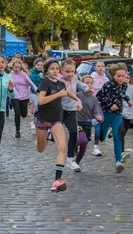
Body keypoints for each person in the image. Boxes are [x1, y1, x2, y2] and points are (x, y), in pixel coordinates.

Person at [35, 59, 82, 192]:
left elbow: (68, 92)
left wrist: (78, 100)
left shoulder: (61, 84)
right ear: (47, 71)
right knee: (40, 148)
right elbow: (41, 100)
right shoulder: (45, 82)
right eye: (52, 69)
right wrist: (58, 94)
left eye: (57, 68)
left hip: (56, 119)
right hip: (43, 119)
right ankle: (39, 141)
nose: (55, 71)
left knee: (62, 147)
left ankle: (57, 180)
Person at [97, 63, 133, 173]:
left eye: (123, 76)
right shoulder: (108, 85)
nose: (121, 78)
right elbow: (100, 96)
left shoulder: (123, 85)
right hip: (106, 113)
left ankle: (118, 162)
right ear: (113, 75)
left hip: (117, 114)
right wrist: (109, 105)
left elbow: (122, 94)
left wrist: (128, 100)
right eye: (119, 76)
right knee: (101, 137)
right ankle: (99, 129)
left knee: (118, 136)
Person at [58, 59, 87, 171]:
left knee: (74, 132)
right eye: (67, 72)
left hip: (71, 110)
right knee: (55, 135)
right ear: (62, 70)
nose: (70, 74)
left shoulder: (75, 79)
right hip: (60, 110)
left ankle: (70, 158)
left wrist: (86, 89)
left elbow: (81, 84)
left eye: (72, 71)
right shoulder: (59, 81)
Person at [75, 76, 103, 170]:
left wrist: (98, 116)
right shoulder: (77, 95)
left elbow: (96, 110)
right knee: (82, 140)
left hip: (88, 124)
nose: (89, 84)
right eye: (87, 82)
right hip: (77, 122)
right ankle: (74, 145)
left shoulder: (94, 99)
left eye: (91, 83)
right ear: (82, 85)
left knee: (84, 145)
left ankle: (76, 162)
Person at [10, 59, 37, 138]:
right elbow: (7, 86)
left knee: (24, 114)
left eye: (18, 67)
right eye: (15, 67)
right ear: (12, 67)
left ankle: (23, 114)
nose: (17, 69)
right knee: (17, 113)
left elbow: (31, 84)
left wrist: (38, 91)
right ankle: (17, 131)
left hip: (24, 96)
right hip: (14, 97)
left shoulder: (24, 74)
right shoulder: (9, 75)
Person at [91, 61, 109, 156]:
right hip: (91, 104)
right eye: (98, 66)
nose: (101, 68)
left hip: (101, 106)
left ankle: (96, 147)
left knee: (99, 125)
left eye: (102, 66)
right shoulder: (92, 77)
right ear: (95, 67)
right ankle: (80, 143)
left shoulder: (106, 79)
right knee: (87, 126)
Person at [121, 74, 133, 162]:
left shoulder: (132, 88)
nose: (125, 79)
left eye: (127, 77)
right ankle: (121, 153)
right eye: (123, 77)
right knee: (121, 132)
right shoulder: (117, 87)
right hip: (119, 113)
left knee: (123, 134)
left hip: (128, 114)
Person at [29, 58, 44, 133]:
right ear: (35, 65)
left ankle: (40, 120)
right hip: (33, 92)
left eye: (41, 65)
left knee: (41, 107)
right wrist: (39, 76)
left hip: (42, 93)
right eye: (38, 65)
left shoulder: (45, 72)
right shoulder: (32, 71)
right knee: (37, 104)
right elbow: (32, 79)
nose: (39, 66)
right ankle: (34, 122)